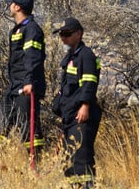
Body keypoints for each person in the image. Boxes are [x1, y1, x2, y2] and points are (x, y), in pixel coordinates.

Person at [0, 0, 46, 157]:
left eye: (11, 3)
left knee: (27, 127)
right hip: (14, 86)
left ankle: (36, 164)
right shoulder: (17, 30)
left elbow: (32, 57)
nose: (9, 6)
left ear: (17, 7)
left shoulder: (32, 30)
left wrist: (29, 82)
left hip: (27, 86)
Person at [52, 17, 102, 188]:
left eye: (66, 34)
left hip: (82, 115)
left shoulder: (86, 55)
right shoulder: (71, 57)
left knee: (81, 156)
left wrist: (85, 106)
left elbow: (89, 83)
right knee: (69, 158)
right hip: (70, 116)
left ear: (78, 34)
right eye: (61, 34)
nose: (63, 37)